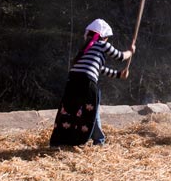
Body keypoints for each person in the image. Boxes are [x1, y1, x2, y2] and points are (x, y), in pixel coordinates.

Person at [50, 19, 134, 147]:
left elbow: (100, 69)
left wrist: (119, 74)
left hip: (72, 83)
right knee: (91, 110)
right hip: (86, 83)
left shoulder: (84, 50)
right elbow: (120, 56)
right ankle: (98, 141)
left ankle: (61, 141)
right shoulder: (101, 44)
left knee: (69, 110)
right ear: (104, 37)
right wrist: (131, 51)